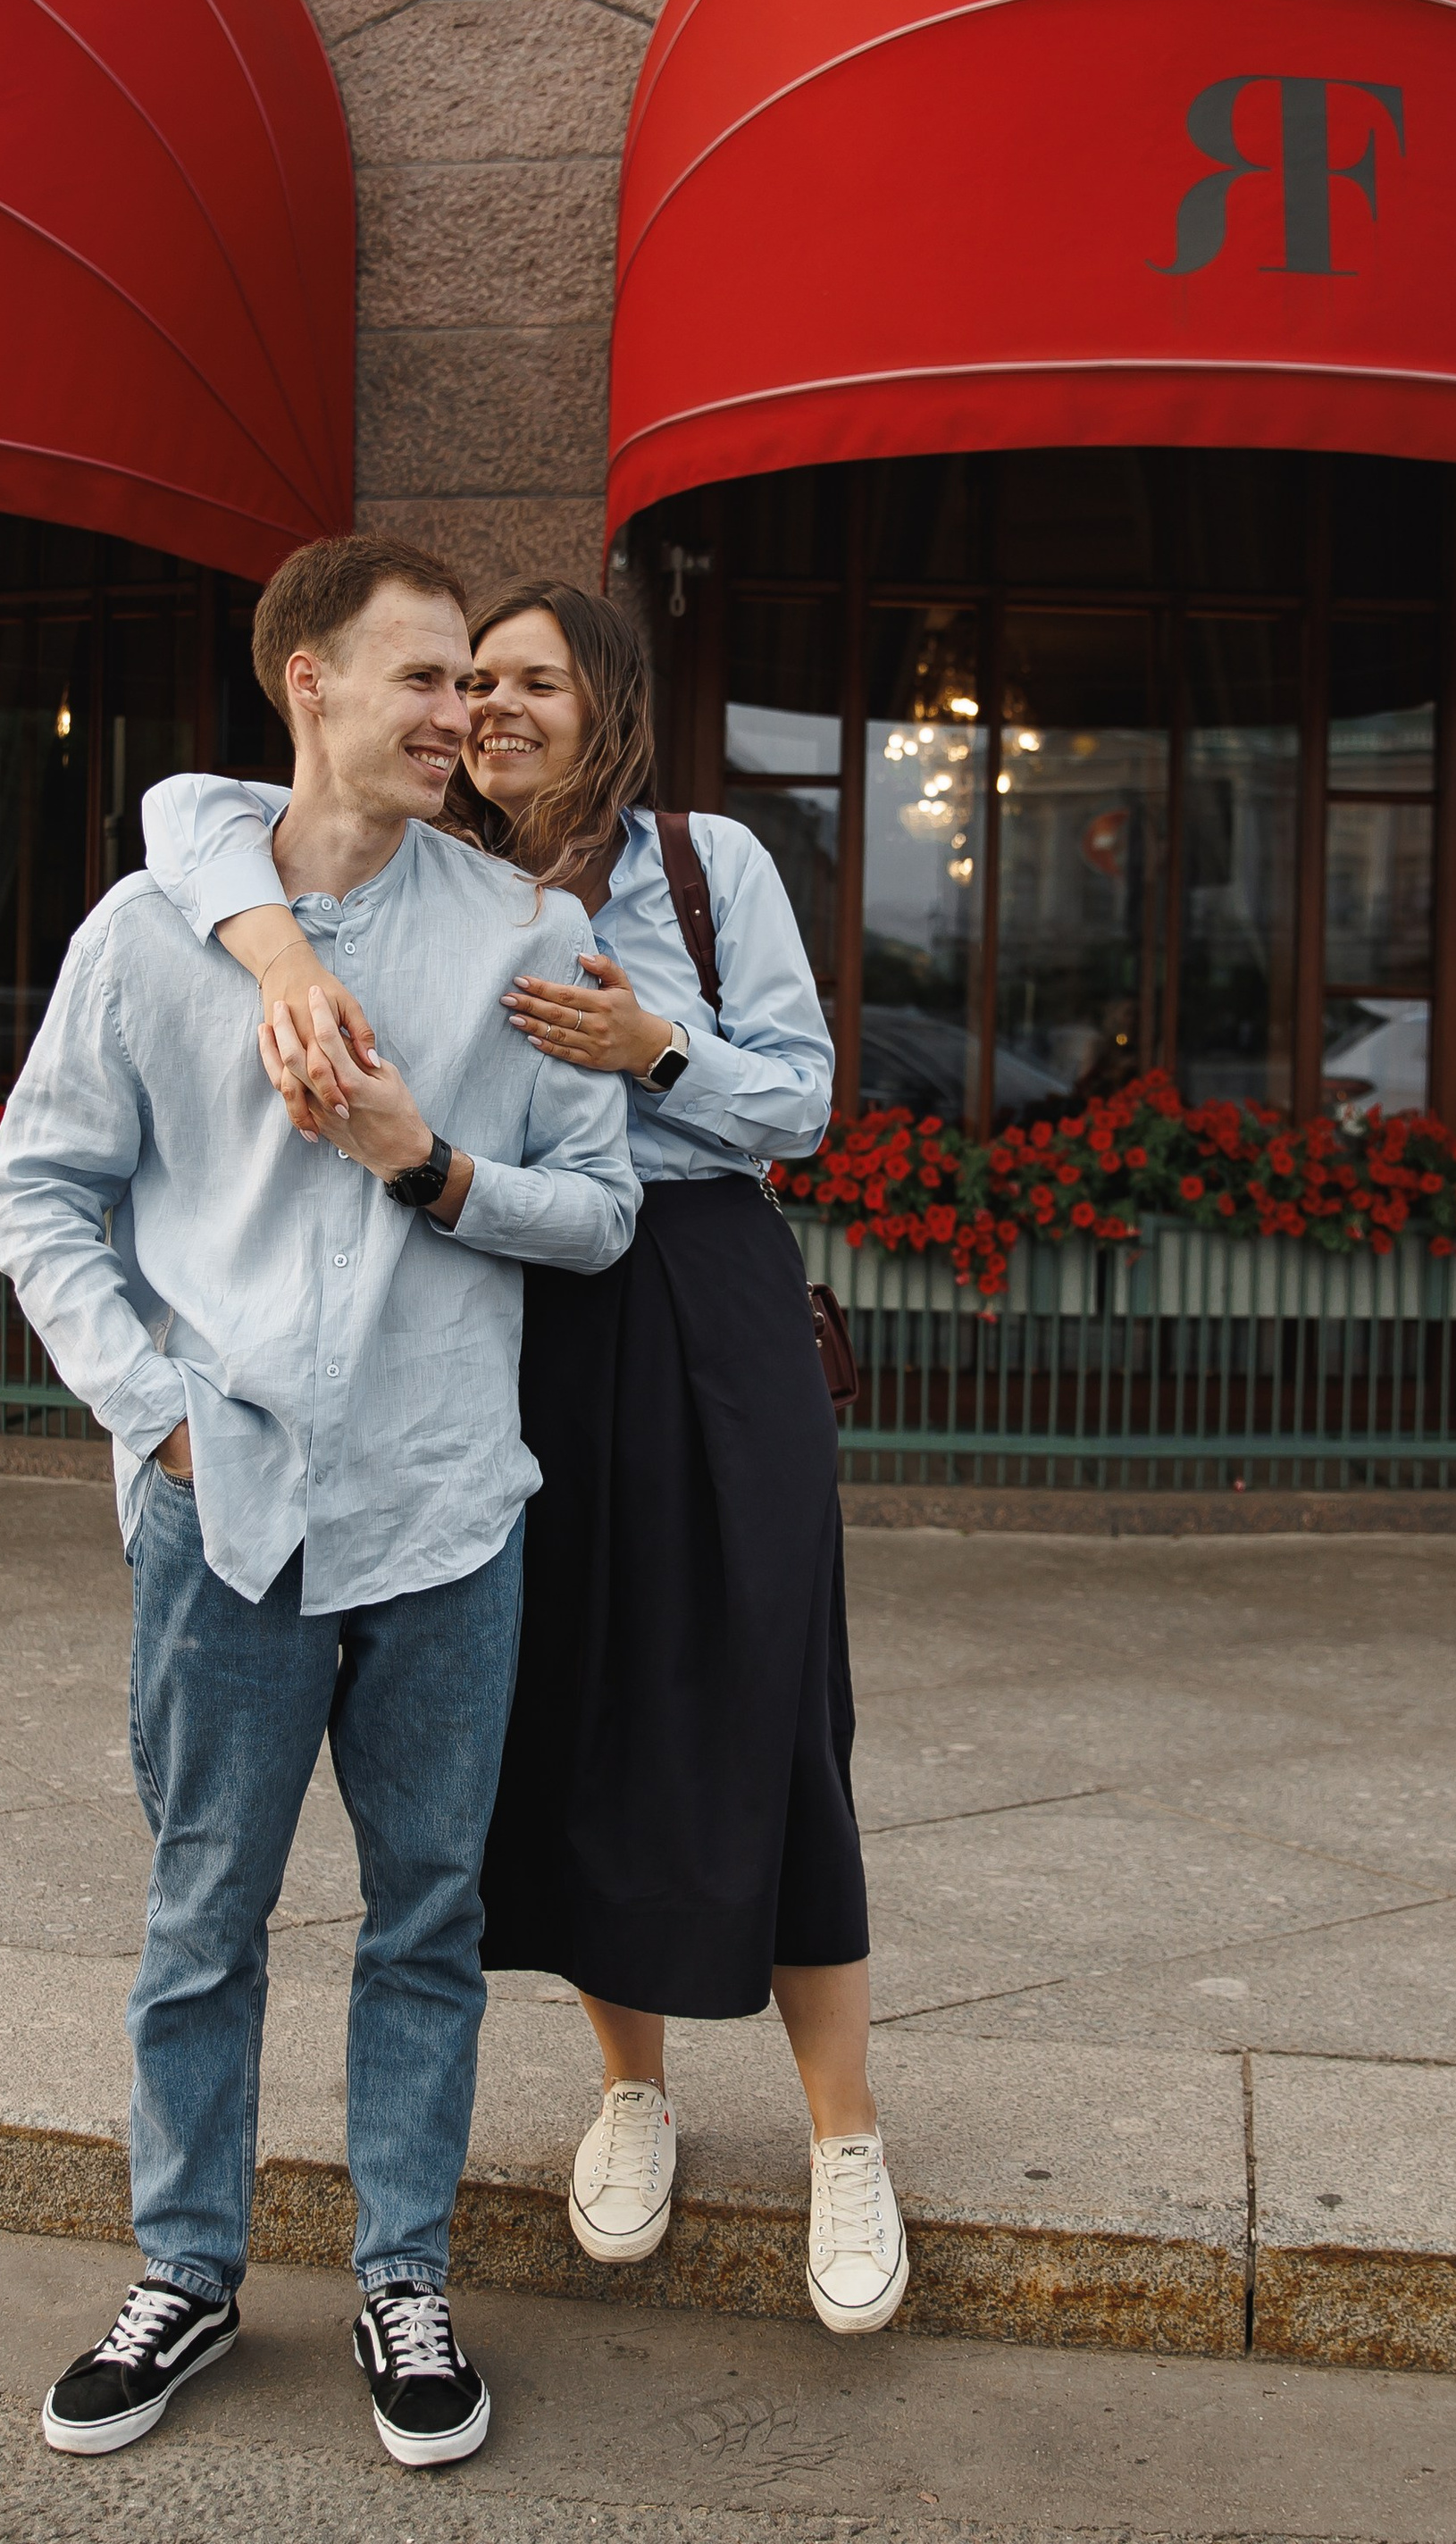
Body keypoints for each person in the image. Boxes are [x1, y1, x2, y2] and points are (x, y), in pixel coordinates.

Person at [142, 579, 908, 2338]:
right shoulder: (418, 867)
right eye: (468, 678)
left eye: (530, 679)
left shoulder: (709, 866)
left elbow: (800, 1101)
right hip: (511, 1321)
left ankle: (842, 2139)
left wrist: (654, 1048)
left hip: (708, 1317)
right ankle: (632, 2094)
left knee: (764, 1709)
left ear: (604, 702)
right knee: (556, 1715)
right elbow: (192, 818)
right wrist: (274, 958)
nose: (490, 704)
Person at [0, 537, 637, 2469]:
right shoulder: (148, 935)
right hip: (227, 1511)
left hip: (447, 1512)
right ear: (309, 686)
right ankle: (184, 2271)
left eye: (475, 685)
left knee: (428, 1916)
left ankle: (402, 2278)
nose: (461, 717)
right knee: (204, 1912)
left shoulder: (521, 933)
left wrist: (430, 1166)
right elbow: (38, 1192)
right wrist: (158, 1417)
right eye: (422, 678)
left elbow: (595, 1216)